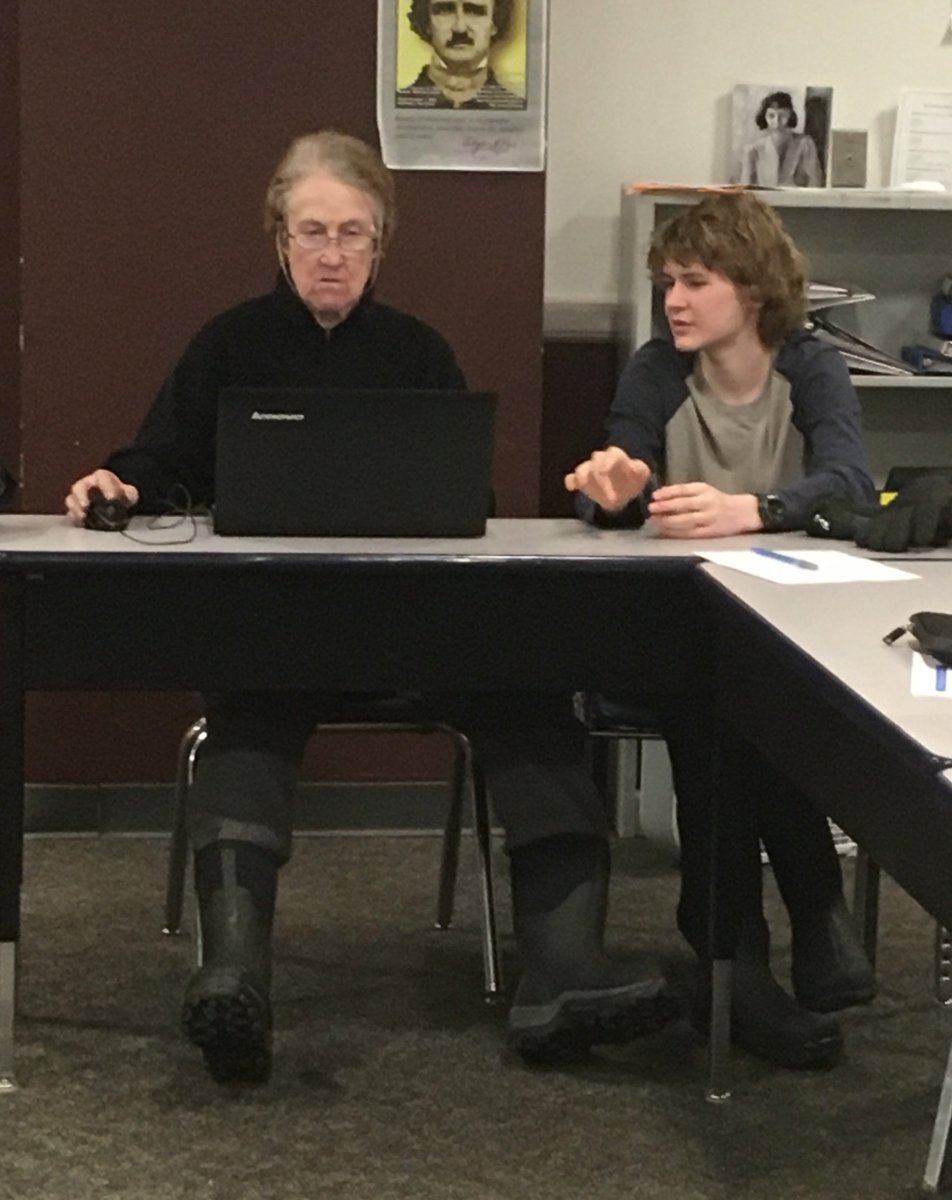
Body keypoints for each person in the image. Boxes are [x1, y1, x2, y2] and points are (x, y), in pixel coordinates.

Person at [64, 130, 678, 1083]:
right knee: (248, 709)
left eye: (354, 234)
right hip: (278, 629)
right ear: (280, 241)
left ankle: (562, 972)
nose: (332, 252)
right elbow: (156, 461)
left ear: (380, 246)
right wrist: (116, 482)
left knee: (530, 687)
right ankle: (234, 980)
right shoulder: (228, 344)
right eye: (313, 231)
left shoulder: (418, 352)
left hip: (415, 622)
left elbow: (464, 502)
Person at [565, 191, 876, 1069]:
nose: (674, 300)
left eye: (695, 282)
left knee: (748, 705)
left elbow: (851, 482)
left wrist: (755, 508)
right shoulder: (657, 370)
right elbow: (615, 478)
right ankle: (804, 911)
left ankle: (731, 956)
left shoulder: (810, 365)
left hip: (790, 622)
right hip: (674, 630)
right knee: (727, 704)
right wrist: (614, 494)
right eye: (667, 282)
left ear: (752, 287)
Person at [397, 0, 525, 111]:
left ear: (495, 23)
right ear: (426, 23)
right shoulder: (398, 104)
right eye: (444, 10)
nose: (460, 28)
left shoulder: (517, 110)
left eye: (475, 11)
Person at [739, 91, 823, 188]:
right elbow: (746, 188)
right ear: (764, 117)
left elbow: (814, 182)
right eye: (771, 116)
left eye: (782, 115)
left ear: (790, 115)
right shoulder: (753, 148)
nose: (776, 121)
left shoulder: (805, 143)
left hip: (798, 201)